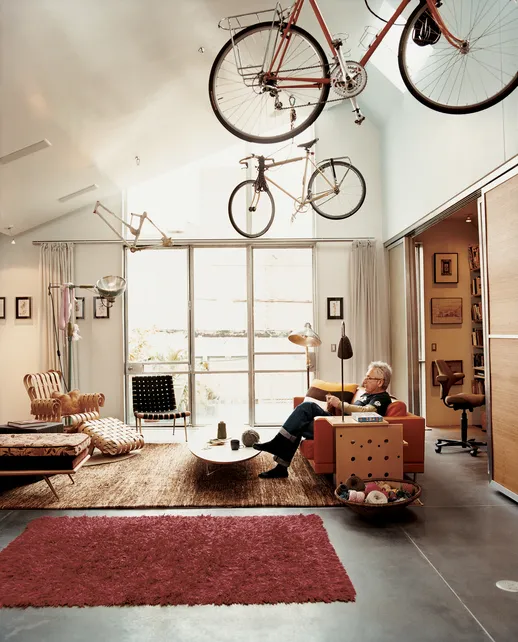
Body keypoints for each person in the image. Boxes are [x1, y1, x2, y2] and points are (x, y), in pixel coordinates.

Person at [253, 361, 393, 479]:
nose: (364, 381)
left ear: (380, 382)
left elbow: (367, 411)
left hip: (346, 431)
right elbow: (351, 410)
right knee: (307, 408)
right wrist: (333, 406)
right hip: (340, 423)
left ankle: (279, 455)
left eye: (369, 378)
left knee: (300, 421)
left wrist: (340, 404)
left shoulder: (382, 398)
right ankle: (279, 457)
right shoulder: (366, 395)